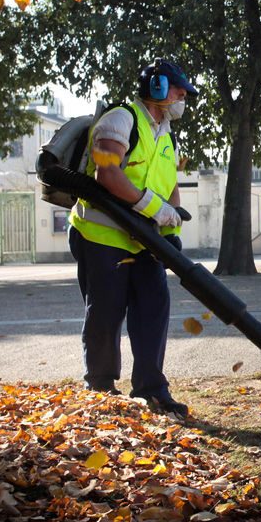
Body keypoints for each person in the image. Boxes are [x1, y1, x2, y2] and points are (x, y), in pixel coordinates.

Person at [68, 58, 197, 418]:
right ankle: (101, 389)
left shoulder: (165, 132)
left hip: (142, 240)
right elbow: (107, 174)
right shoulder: (120, 120)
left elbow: (169, 188)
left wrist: (170, 232)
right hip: (101, 234)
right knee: (106, 313)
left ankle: (152, 391)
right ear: (156, 87)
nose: (183, 95)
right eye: (177, 88)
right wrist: (151, 207)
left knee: (154, 307)